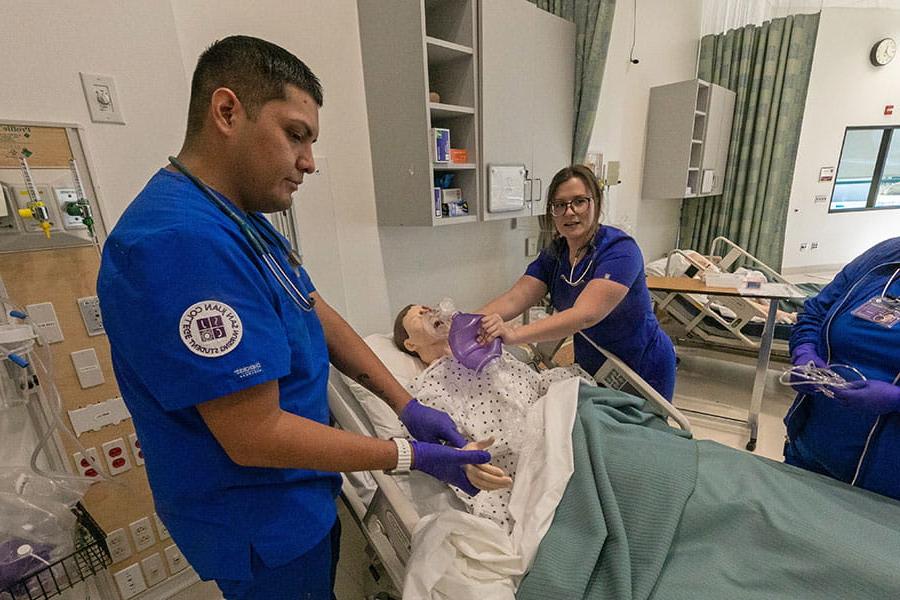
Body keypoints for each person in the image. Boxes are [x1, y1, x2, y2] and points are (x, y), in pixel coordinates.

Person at [96, 36, 490, 600]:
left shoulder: (239, 216)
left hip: (299, 494)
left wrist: (408, 405)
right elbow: (255, 436)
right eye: (295, 135)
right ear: (227, 111)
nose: (309, 161)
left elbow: (313, 307)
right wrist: (409, 455)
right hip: (258, 516)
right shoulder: (180, 244)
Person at [477, 164, 677, 400]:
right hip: (591, 366)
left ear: (596, 203)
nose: (569, 212)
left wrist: (513, 334)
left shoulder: (620, 251)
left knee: (641, 433)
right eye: (560, 205)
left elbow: (585, 315)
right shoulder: (555, 255)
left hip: (641, 366)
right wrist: (465, 323)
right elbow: (515, 298)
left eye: (579, 201)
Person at [394, 304, 593, 530]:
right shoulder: (425, 390)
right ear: (410, 344)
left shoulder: (487, 349)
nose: (427, 311)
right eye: (417, 315)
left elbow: (536, 382)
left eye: (427, 306)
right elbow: (446, 449)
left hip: (561, 421)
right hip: (524, 463)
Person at [784, 236, 900, 500]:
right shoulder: (884, 256)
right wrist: (804, 353)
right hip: (810, 450)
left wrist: (896, 399)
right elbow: (814, 312)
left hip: (887, 490)